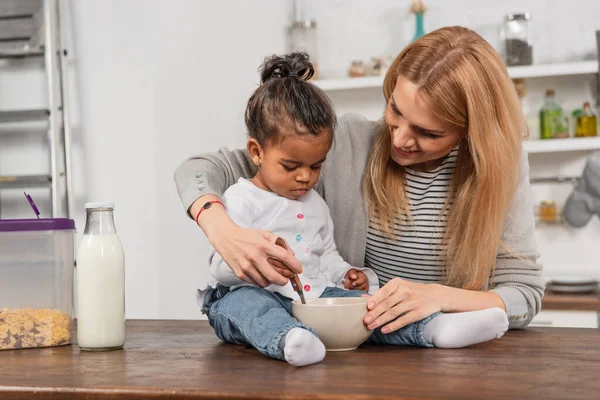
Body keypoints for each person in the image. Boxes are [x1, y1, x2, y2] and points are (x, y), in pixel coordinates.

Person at [175, 27, 544, 351]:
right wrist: (221, 229)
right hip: (353, 359)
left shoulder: (501, 168)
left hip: (443, 364)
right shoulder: (344, 145)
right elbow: (200, 169)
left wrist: (438, 297)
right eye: (395, 110)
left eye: (428, 133)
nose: (400, 139)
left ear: (470, 129)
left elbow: (524, 295)